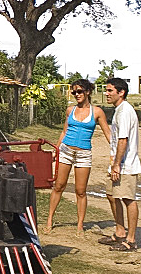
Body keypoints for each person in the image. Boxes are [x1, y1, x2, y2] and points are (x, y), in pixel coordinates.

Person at [45, 78, 111, 234]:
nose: (76, 94)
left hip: (84, 154)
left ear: (87, 92)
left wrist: (116, 151)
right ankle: (49, 220)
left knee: (80, 191)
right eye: (74, 92)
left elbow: (108, 133)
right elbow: (64, 131)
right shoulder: (70, 110)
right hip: (66, 151)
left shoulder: (97, 112)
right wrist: (57, 149)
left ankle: (80, 225)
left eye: (79, 91)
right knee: (59, 186)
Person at [100, 77, 141, 252]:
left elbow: (123, 140)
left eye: (110, 90)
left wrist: (117, 164)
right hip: (117, 163)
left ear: (121, 92)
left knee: (127, 198)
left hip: (126, 164)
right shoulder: (119, 110)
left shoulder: (125, 111)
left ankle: (130, 240)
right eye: (106, 90)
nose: (106, 93)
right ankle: (120, 231)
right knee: (112, 195)